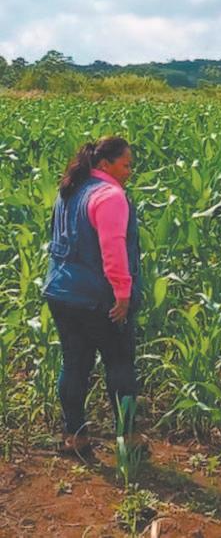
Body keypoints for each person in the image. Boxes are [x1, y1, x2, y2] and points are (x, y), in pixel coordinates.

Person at [42, 136, 142, 454]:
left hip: (61, 291)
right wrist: (123, 295)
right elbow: (113, 250)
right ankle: (128, 439)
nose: (129, 171)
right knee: (119, 363)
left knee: (74, 364)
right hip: (98, 297)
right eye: (125, 164)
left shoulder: (70, 190)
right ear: (105, 164)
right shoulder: (110, 196)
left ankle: (75, 437)